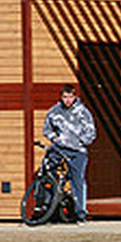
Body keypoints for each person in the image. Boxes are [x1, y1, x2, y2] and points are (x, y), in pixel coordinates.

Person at [42, 83, 96, 222]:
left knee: (77, 179)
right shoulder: (54, 111)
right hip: (60, 147)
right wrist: (56, 139)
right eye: (65, 97)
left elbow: (91, 132)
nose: (68, 100)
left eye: (70, 97)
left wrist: (81, 142)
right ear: (61, 97)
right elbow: (47, 129)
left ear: (74, 97)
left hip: (78, 151)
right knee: (46, 169)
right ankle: (46, 203)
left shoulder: (83, 112)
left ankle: (80, 212)